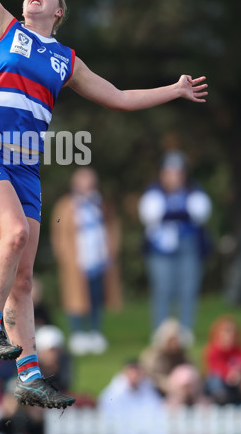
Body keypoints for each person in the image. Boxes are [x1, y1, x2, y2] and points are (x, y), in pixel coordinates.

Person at [0, 0, 208, 409]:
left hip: (25, 165)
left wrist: (174, 89)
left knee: (25, 277)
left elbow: (117, 96)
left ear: (59, 11)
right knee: (17, 234)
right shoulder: (2, 27)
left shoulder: (65, 59)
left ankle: (27, 374)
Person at [138, 150, 212, 338]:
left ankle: (185, 329)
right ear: (162, 174)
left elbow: (201, 212)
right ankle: (161, 331)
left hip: (188, 244)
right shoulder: (153, 192)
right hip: (160, 249)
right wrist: (181, 213)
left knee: (188, 287)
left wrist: (169, 214)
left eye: (178, 173)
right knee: (162, 288)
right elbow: (149, 214)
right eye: (169, 172)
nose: (174, 177)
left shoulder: (194, 191)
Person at [50, 167, 120, 356]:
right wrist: (64, 255)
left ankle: (95, 332)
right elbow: (56, 227)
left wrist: (111, 250)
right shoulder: (65, 206)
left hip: (98, 258)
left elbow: (111, 225)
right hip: (76, 260)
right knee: (75, 298)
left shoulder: (100, 203)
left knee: (96, 297)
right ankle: (77, 333)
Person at [203, 314, 241, 404]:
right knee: (214, 378)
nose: (229, 336)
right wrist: (229, 373)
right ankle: (219, 400)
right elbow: (216, 367)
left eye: (232, 333)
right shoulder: (213, 351)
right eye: (226, 333)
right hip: (222, 383)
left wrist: (239, 373)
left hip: (238, 382)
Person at [139, 318, 191, 396]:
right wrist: (169, 384)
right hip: (156, 392)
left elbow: (191, 370)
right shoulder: (154, 355)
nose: (174, 344)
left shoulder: (183, 354)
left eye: (176, 340)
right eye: (171, 340)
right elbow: (151, 377)